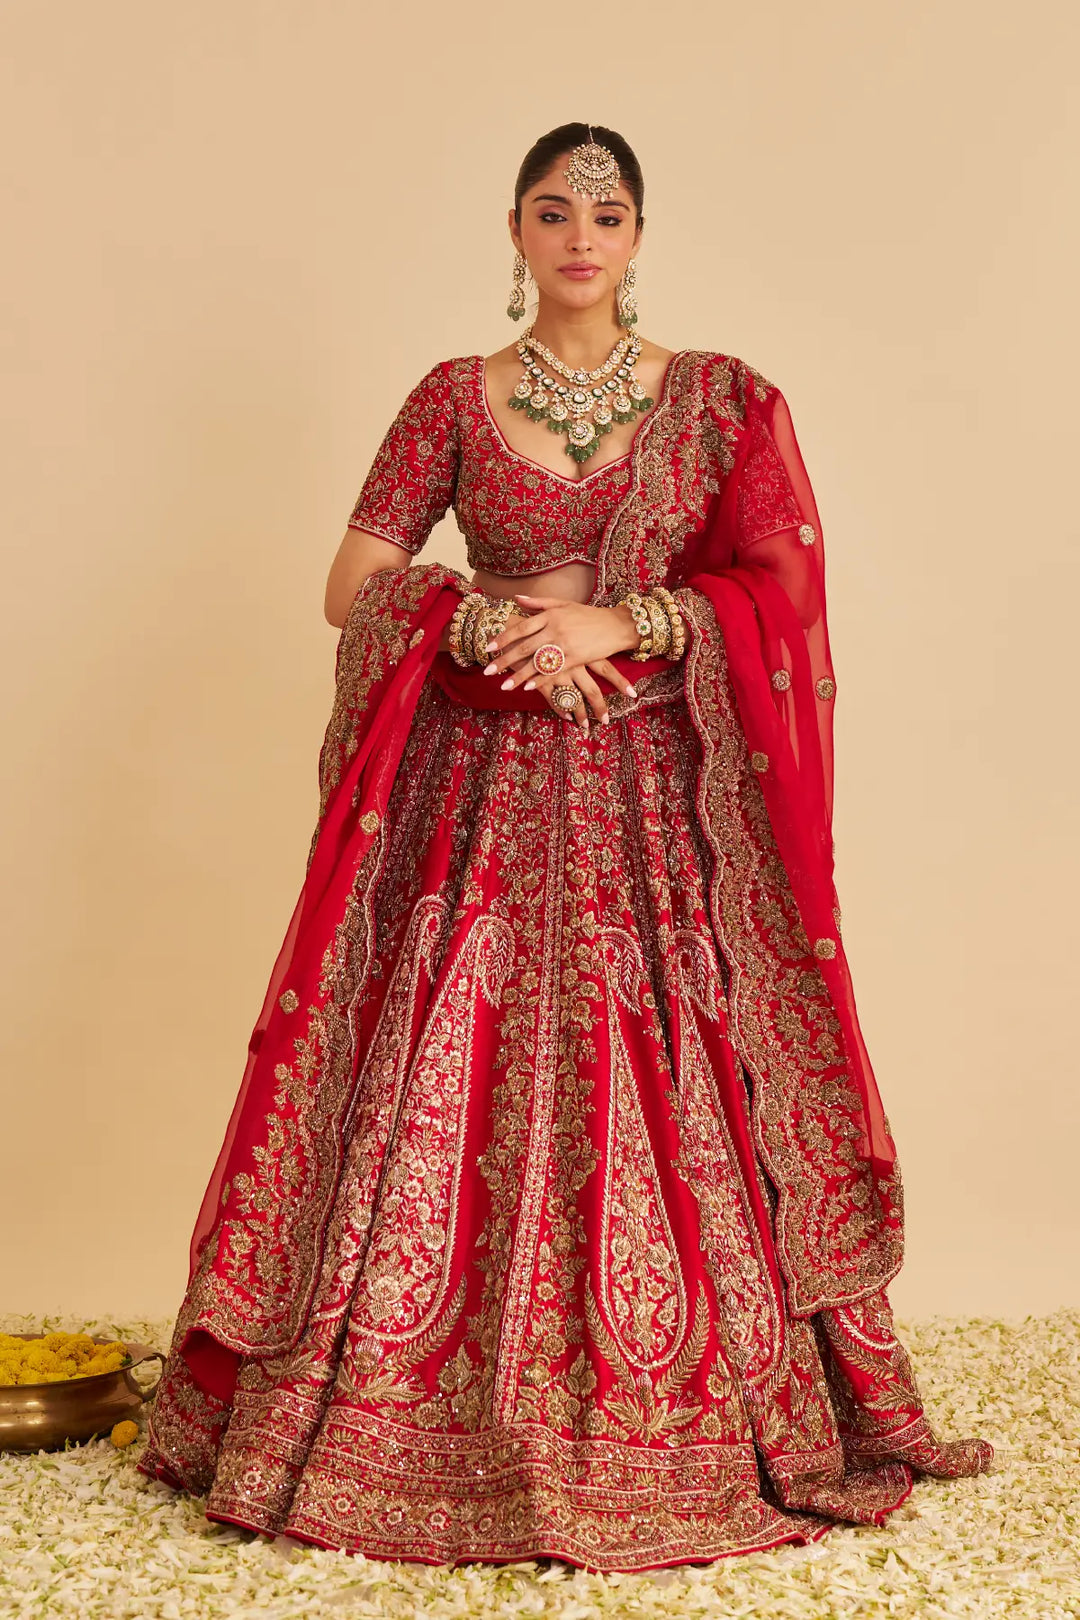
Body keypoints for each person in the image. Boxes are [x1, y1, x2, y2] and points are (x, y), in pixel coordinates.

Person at [136, 122, 993, 1574]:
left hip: (654, 777)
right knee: (441, 1062)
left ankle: (690, 1410)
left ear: (641, 236)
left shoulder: (719, 402)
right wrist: (479, 621)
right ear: (516, 234)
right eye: (553, 211)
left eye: (608, 212)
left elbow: (774, 590)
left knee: (662, 1055)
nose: (582, 235)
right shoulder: (452, 400)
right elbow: (355, 583)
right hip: (476, 775)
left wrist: (629, 620)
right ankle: (402, 1413)